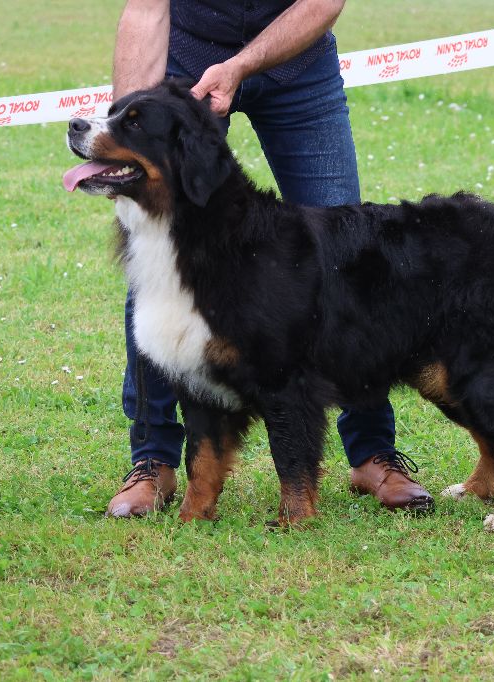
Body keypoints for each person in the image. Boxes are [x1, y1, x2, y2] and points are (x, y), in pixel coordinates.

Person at [105, 0, 434, 518]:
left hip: (298, 62)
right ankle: (154, 462)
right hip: (189, 53)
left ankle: (372, 452)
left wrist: (240, 65)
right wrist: (122, 136)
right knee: (160, 263)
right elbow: (147, 9)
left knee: (346, 260)